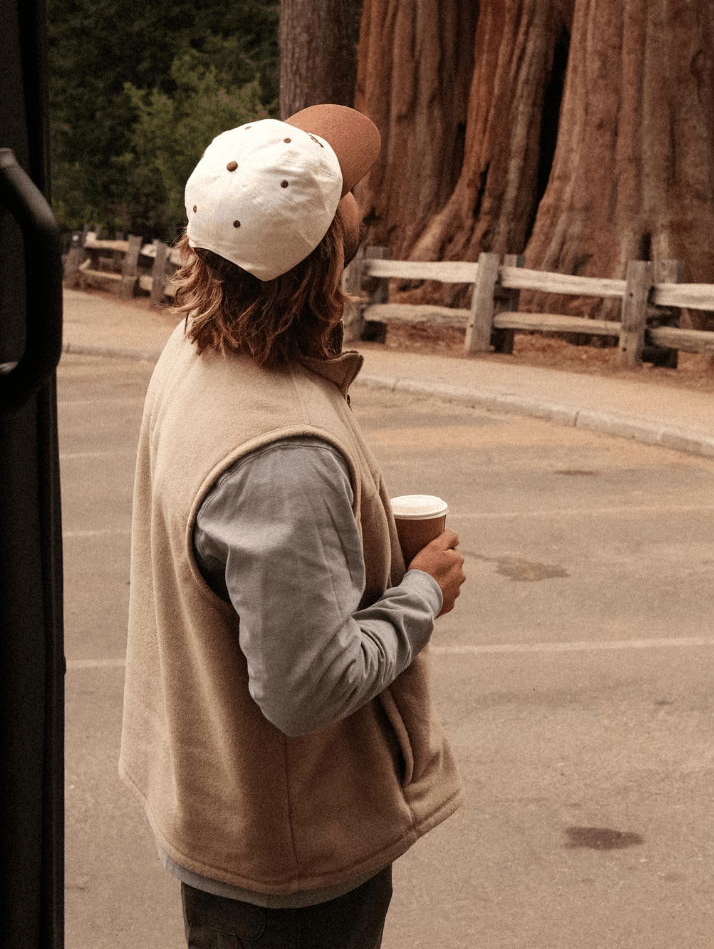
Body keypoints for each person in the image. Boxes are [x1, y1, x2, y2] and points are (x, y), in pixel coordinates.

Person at [119, 105, 466, 949]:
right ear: (329, 267)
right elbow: (306, 689)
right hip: (291, 866)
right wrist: (422, 594)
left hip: (220, 806)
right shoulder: (281, 458)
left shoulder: (197, 349)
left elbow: (339, 138)